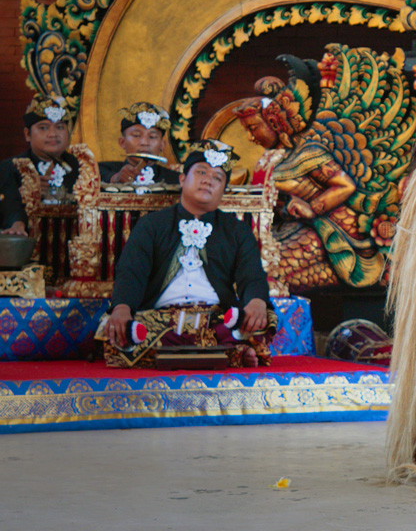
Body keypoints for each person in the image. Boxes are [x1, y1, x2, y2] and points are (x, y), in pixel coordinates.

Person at [96, 139, 276, 368]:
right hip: (160, 319)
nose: (208, 180)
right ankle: (229, 351)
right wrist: (122, 307)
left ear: (224, 190)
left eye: (217, 178)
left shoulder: (236, 230)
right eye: (201, 172)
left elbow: (251, 275)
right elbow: (131, 272)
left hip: (216, 318)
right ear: (182, 179)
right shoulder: (151, 225)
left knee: (264, 318)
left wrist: (257, 302)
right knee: (110, 328)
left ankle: (172, 353)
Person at [0, 95, 80, 236]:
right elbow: (10, 203)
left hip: (73, 244)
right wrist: (29, 194)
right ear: (28, 134)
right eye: (43, 128)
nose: (53, 134)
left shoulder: (81, 167)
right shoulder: (10, 168)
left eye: (60, 127)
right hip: (28, 244)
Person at [98, 102, 180, 187]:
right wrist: (116, 178)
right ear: (122, 142)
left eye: (152, 137)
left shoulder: (176, 180)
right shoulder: (99, 171)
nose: (144, 143)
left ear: (162, 145)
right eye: (136, 135)